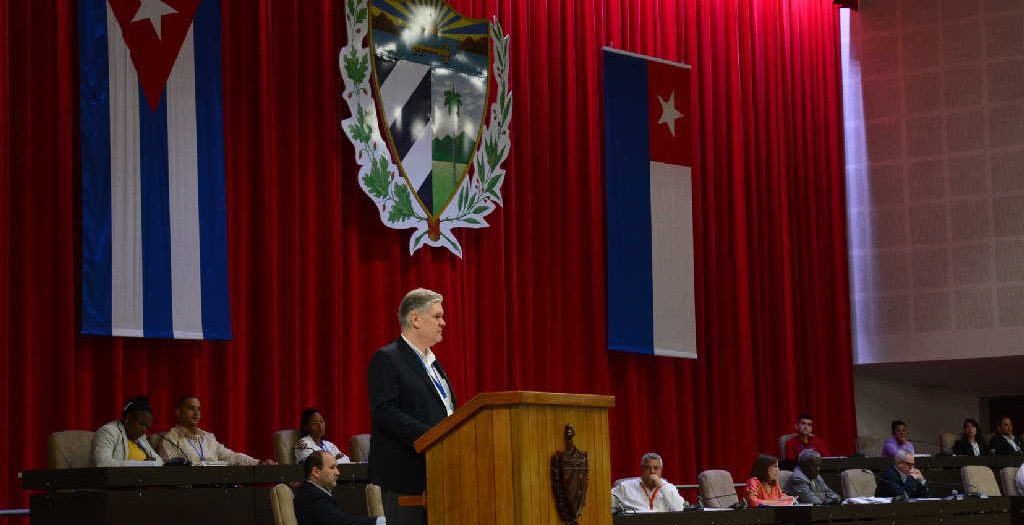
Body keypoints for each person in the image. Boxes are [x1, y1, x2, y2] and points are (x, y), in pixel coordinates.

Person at [368, 288, 456, 525]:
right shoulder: (387, 358)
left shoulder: (434, 365)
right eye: (437, 316)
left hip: (440, 475)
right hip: (406, 477)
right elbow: (385, 412)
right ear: (415, 319)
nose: (444, 323)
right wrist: (433, 437)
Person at [157, 395, 275, 465]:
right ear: (178, 412)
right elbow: (171, 473)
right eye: (191, 408)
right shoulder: (170, 439)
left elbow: (231, 456)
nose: (196, 413)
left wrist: (258, 463)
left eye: (199, 409)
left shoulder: (208, 438)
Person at [294, 451, 382, 525]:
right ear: (316, 472)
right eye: (332, 468)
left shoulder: (309, 491)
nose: (338, 473)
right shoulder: (313, 496)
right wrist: (380, 521)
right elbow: (342, 523)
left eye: (337, 468)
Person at [91, 395, 163, 467]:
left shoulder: (141, 439)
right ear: (128, 418)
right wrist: (144, 464)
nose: (144, 430)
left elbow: (159, 461)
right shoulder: (108, 432)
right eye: (141, 424)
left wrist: (149, 464)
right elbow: (102, 463)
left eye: (147, 427)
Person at [610, 452, 687, 513]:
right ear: (641, 469)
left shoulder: (668, 488)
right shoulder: (625, 487)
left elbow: (679, 509)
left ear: (661, 470)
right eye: (647, 468)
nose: (652, 471)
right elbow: (607, 506)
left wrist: (660, 485)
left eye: (656, 468)